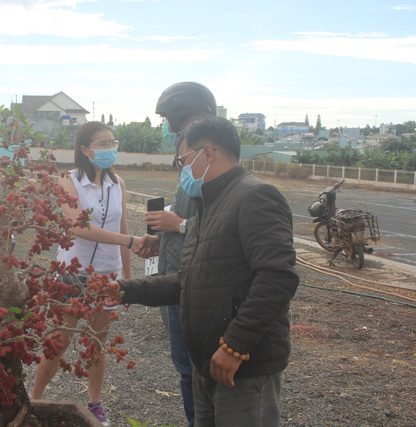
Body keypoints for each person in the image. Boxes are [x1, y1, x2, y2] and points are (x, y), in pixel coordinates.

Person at [116, 116, 299, 426]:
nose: (181, 170)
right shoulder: (208, 207)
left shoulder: (255, 196)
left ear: (208, 153)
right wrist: (124, 290)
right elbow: (188, 282)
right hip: (208, 363)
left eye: (183, 161)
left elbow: (277, 278)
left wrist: (235, 346)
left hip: (241, 367)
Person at [32, 121, 142, 426]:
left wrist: (128, 280)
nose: (109, 149)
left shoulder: (117, 183)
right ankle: (34, 400)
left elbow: (123, 229)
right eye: (102, 144)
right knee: (58, 343)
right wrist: (128, 241)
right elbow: (77, 226)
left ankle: (95, 404)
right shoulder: (68, 182)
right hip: (73, 275)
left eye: (112, 142)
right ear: (84, 149)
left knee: (97, 343)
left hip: (108, 276)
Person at [137, 81, 217, 427]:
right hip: (176, 277)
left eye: (174, 121)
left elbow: (218, 227)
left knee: (199, 371)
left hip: (198, 285)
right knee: (187, 369)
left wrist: (178, 224)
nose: (171, 130)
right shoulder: (189, 167)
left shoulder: (212, 167)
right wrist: (163, 237)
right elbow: (187, 221)